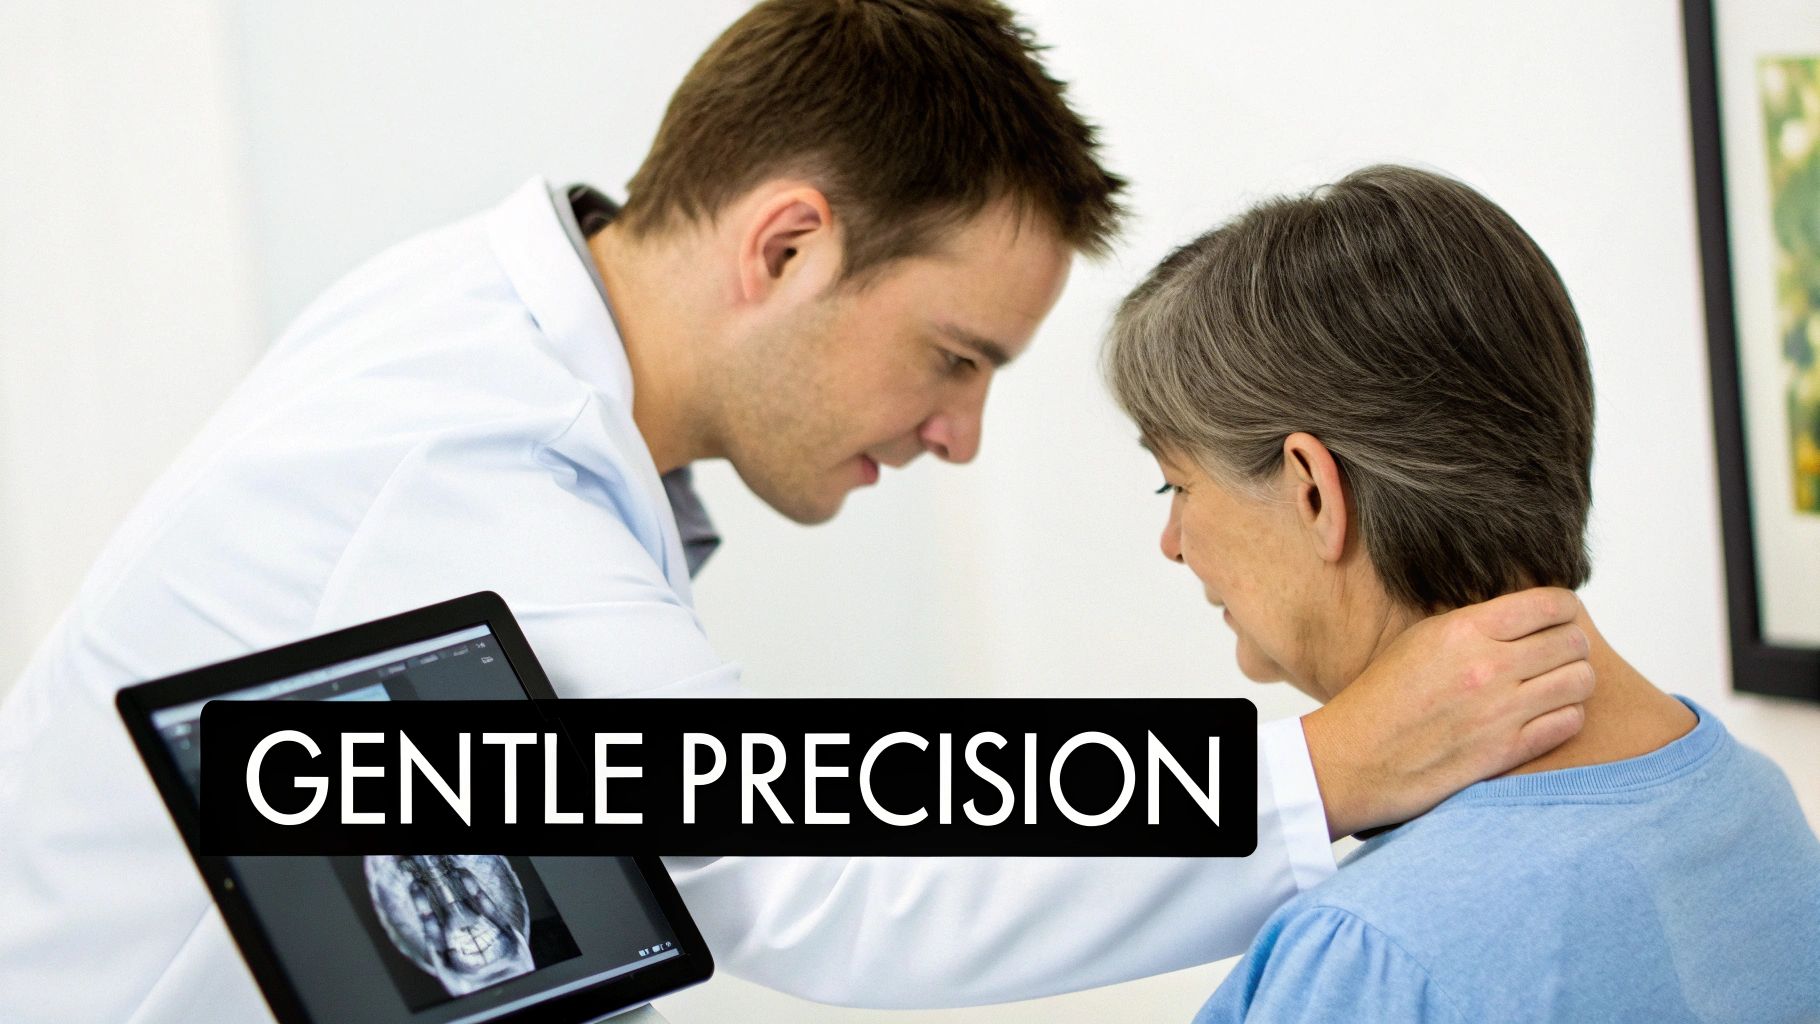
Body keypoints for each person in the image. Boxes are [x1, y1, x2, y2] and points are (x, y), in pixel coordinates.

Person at [0, 4, 1594, 1022]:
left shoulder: (485, 331)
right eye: (955, 358)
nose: (961, 436)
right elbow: (809, 865)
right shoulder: (472, 479)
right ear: (784, 247)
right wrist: (1320, 771)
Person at [1104, 164, 1820, 1022]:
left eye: (1177, 485)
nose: (1172, 542)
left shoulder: (1371, 957)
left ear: (1314, 492)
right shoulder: (1751, 802)